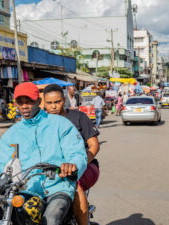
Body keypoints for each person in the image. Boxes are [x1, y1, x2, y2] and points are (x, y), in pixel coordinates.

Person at [0, 82, 87, 225]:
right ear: (15, 104)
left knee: (51, 218)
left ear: (38, 101)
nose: (24, 106)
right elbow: (3, 167)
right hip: (27, 189)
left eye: (29, 101)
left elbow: (77, 154)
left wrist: (72, 165)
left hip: (58, 187)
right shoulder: (11, 135)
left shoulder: (60, 124)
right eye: (20, 102)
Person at [43, 84, 100, 225]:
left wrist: (79, 164)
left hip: (86, 166)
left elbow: (94, 145)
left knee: (74, 185)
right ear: (43, 102)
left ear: (64, 100)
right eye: (49, 103)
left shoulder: (78, 117)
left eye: (57, 102)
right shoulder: (41, 121)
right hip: (52, 167)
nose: (53, 106)